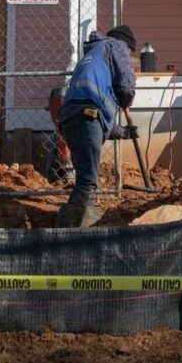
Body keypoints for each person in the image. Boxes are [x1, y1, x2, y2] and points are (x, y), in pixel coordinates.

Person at [55, 24, 137, 228]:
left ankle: (86, 215)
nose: (128, 56)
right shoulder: (115, 45)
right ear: (127, 45)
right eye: (130, 53)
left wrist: (124, 132)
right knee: (87, 180)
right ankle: (70, 227)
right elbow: (126, 84)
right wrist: (127, 99)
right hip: (86, 116)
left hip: (72, 117)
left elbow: (96, 125)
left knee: (85, 173)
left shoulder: (93, 55)